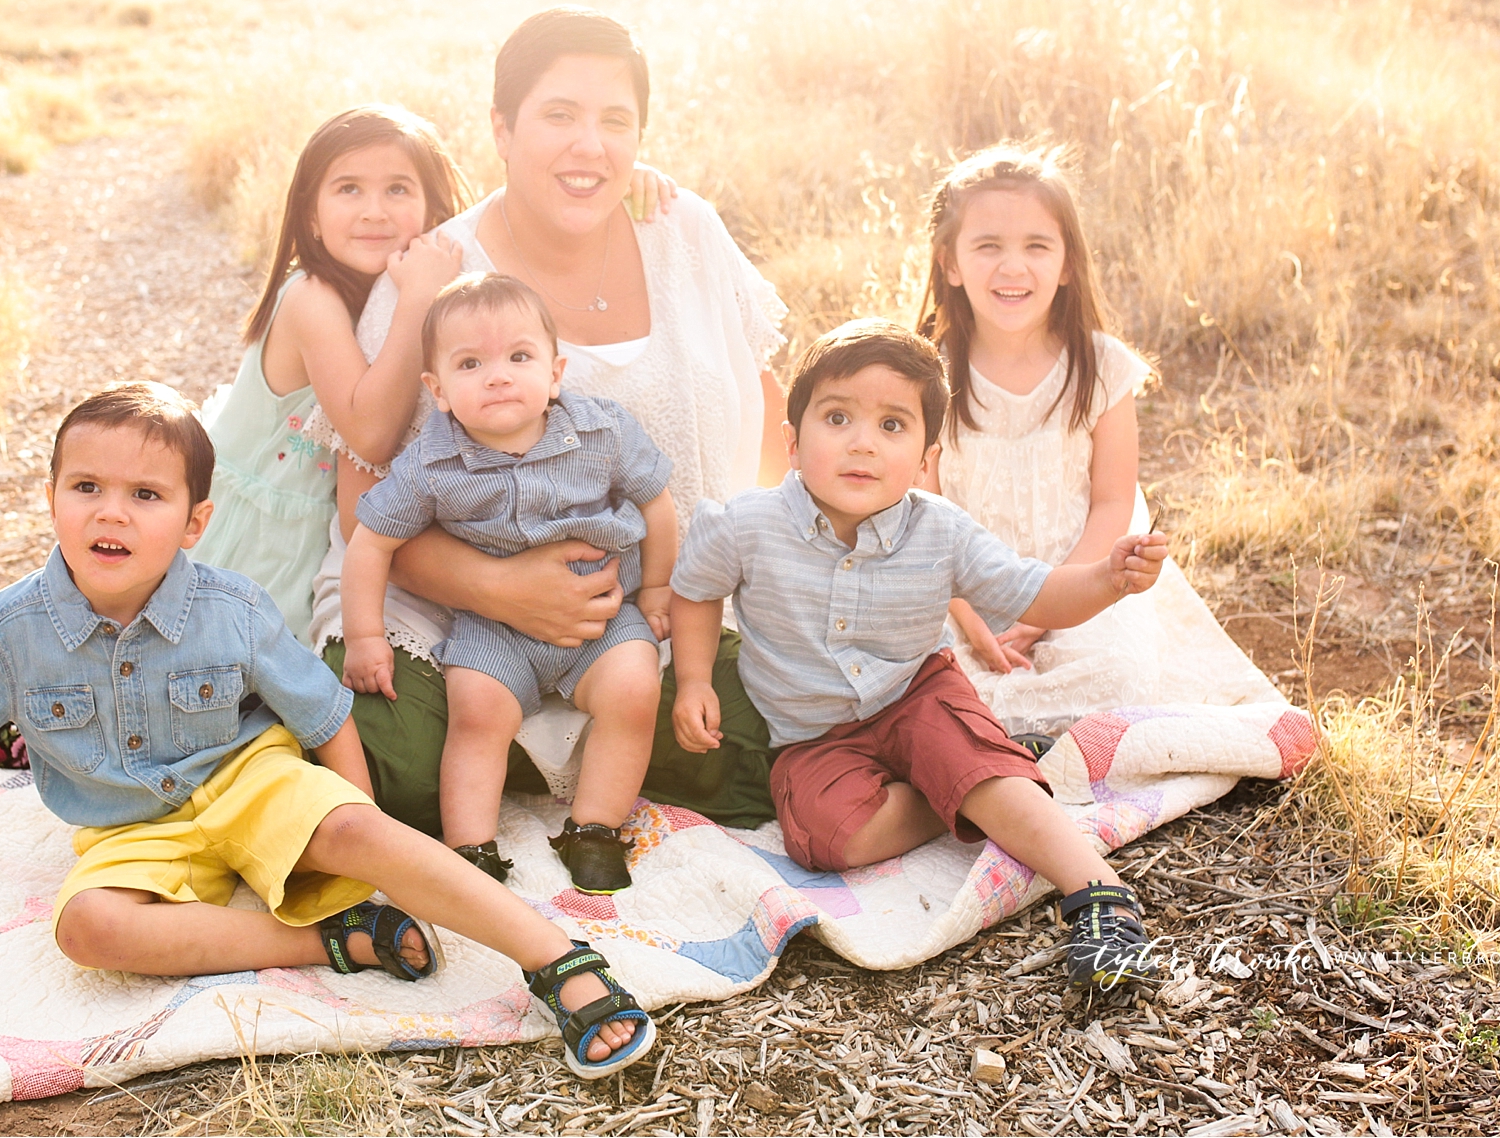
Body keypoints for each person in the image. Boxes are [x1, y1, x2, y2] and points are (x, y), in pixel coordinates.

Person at [0, 383, 657, 1079]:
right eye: (85, 487)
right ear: (52, 497)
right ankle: (332, 941)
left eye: (146, 495)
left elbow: (321, 713)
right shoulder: (11, 630)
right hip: (129, 821)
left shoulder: (231, 609)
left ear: (194, 521)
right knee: (87, 929)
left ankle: (557, 960)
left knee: (357, 824)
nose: (112, 514)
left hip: (248, 775)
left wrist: (358, 827)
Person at [305, 7, 790, 838]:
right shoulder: (439, 273)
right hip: (459, 618)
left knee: (761, 741)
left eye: (615, 122)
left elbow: (771, 412)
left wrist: (718, 578)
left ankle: (551, 771)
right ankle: (516, 764)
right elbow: (361, 503)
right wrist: (498, 588)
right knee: (391, 762)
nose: (589, 147)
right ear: (501, 127)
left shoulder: (686, 232)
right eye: (559, 116)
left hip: (659, 617)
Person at [667, 322, 1167, 989]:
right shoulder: (745, 525)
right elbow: (695, 590)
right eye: (838, 417)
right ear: (792, 441)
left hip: (916, 693)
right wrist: (695, 679)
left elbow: (1038, 594)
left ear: (928, 456)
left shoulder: (941, 531)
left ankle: (1099, 895)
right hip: (811, 732)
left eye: (892, 426)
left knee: (966, 759)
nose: (863, 442)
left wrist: (1108, 578)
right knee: (822, 838)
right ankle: (978, 775)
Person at [190, 104, 677, 642]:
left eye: (398, 190)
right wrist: (419, 297)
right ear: (310, 216)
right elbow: (372, 435)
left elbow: (509, 210)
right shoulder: (312, 298)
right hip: (270, 536)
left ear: (434, 209)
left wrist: (614, 185)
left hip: (337, 529)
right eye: (348, 189)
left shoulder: (407, 274)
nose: (374, 211)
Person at [915, 144, 1272, 744]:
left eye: (1036, 246)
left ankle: (1017, 739)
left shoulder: (1101, 367)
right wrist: (971, 617)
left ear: (1067, 264)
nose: (1012, 267)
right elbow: (922, 513)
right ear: (950, 263)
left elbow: (1113, 500)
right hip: (960, 590)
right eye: (987, 246)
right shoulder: (928, 372)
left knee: (1120, 674)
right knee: (918, 677)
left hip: (1085, 573)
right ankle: (992, 733)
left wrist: (1048, 606)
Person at [343, 275, 676, 893]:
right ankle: (470, 848)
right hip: (494, 627)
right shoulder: (430, 463)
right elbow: (372, 541)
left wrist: (656, 590)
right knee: (477, 712)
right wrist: (364, 635)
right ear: (438, 391)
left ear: (555, 373)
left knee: (634, 689)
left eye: (519, 357)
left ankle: (594, 829)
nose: (497, 376)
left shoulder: (603, 433)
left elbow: (658, 504)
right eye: (471, 363)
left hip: (603, 614)